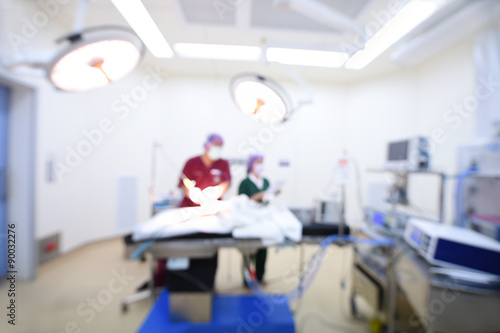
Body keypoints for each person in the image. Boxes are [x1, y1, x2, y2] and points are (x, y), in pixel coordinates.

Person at [154, 133, 231, 291]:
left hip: (211, 212)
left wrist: (215, 192)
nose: (218, 150)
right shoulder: (192, 162)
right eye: (215, 145)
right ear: (207, 145)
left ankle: (206, 284)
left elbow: (226, 183)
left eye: (220, 147)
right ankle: (174, 281)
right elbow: (184, 185)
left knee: (209, 248)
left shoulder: (223, 164)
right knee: (182, 245)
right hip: (189, 209)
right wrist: (193, 194)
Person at [238, 154, 279, 284]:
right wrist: (258, 196)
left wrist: (273, 193)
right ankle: (247, 279)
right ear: (251, 165)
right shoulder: (244, 183)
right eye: (258, 162)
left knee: (263, 248)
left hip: (264, 219)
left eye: (262, 162)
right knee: (248, 250)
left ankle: (260, 277)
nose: (261, 165)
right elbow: (241, 202)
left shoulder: (265, 181)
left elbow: (268, 199)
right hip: (249, 219)